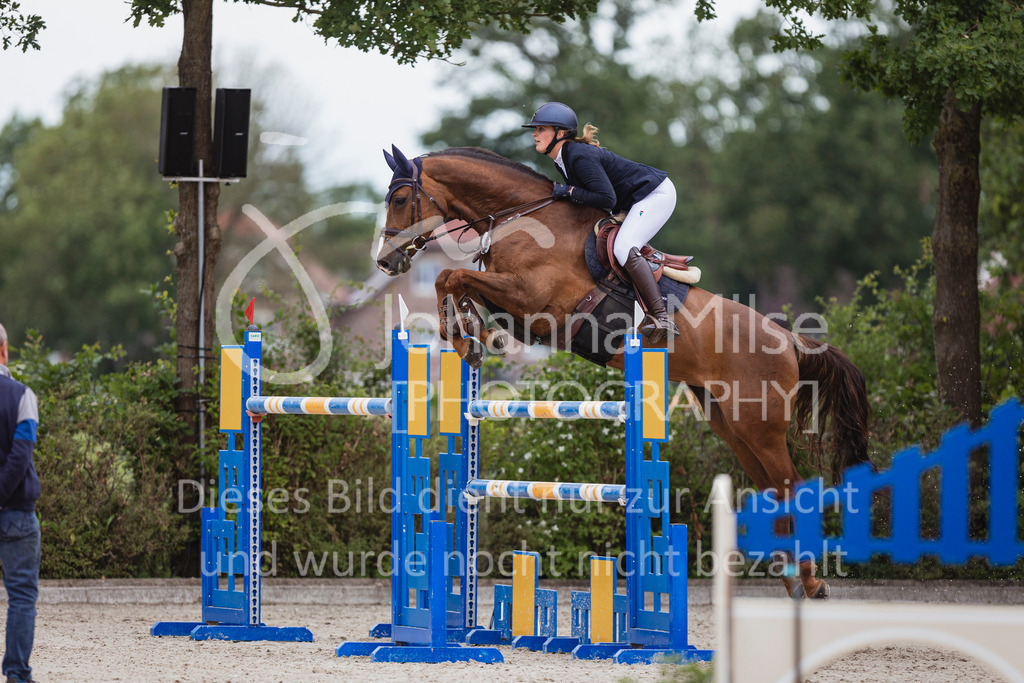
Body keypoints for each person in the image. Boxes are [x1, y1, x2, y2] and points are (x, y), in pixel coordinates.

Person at [523, 101, 680, 344]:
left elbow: (606, 198)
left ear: (560, 133)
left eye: (541, 129)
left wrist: (567, 192)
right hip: (635, 201)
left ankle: (661, 316)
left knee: (624, 246)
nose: (535, 133)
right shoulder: (564, 158)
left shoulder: (578, 155)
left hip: (655, 195)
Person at [0, 323, 41, 683]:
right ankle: (15, 673)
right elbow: (21, 454)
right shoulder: (22, 395)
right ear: (4, 351)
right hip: (15, 513)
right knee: (22, 596)